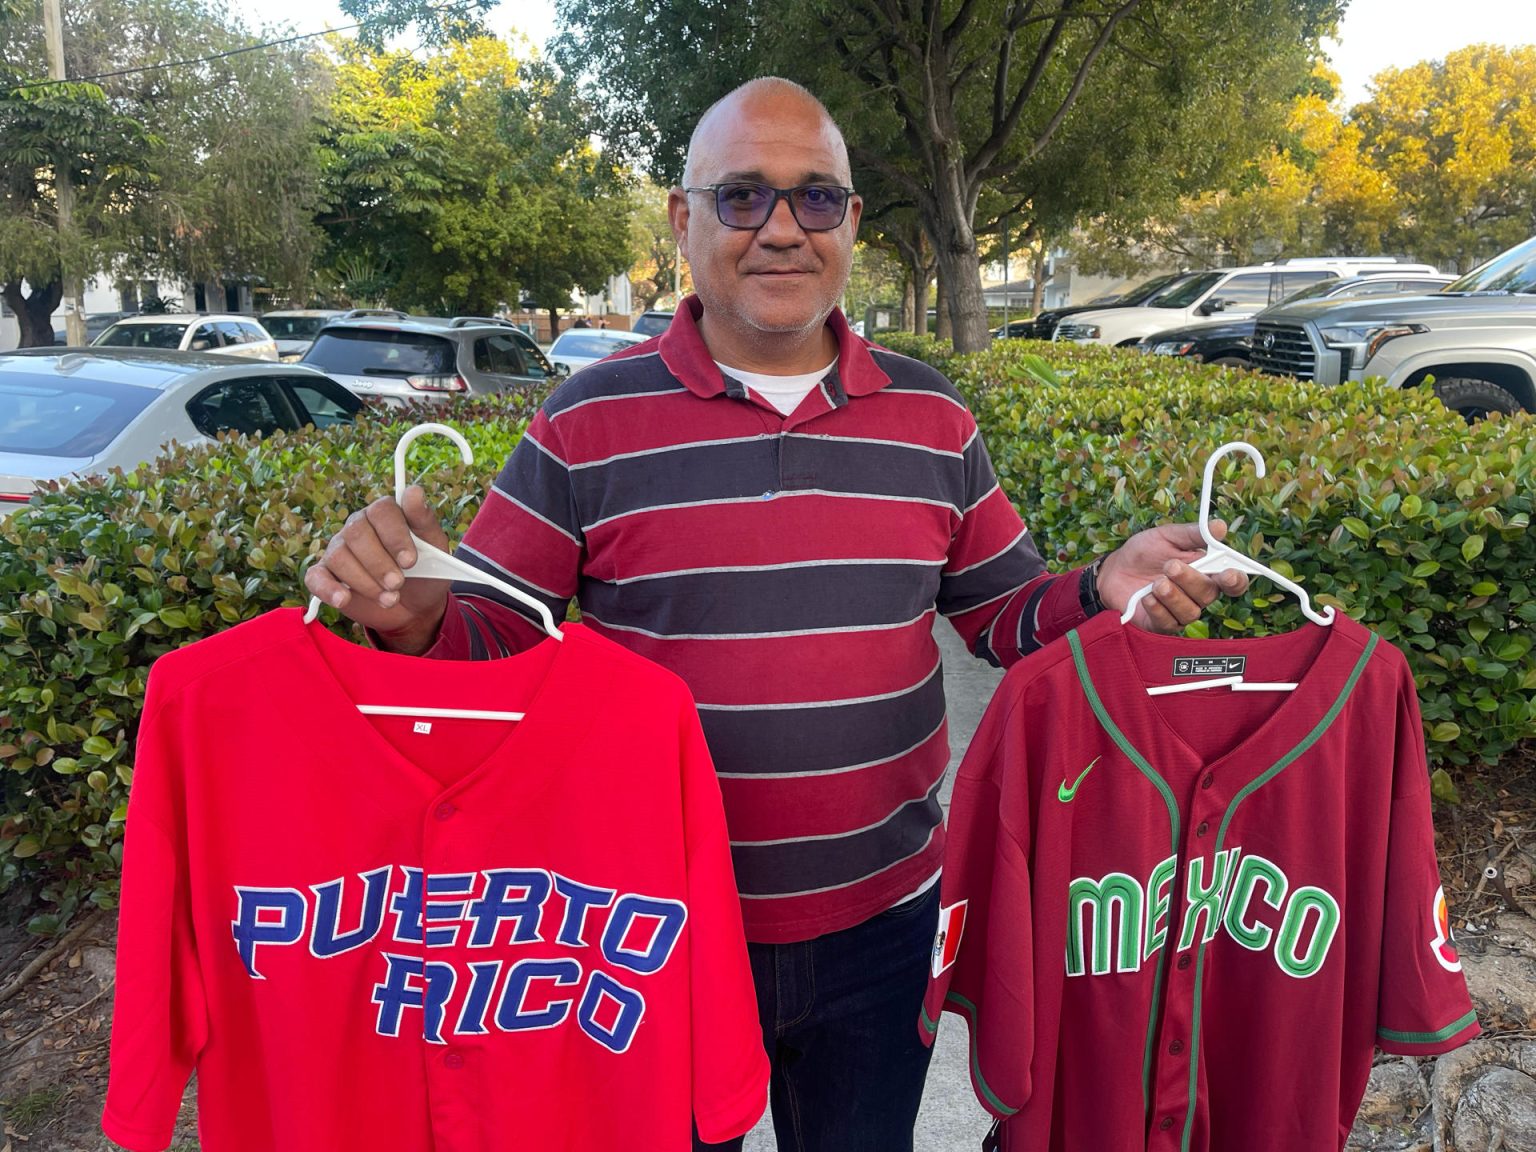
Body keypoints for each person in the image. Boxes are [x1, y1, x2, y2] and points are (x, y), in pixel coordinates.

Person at [305, 77, 1248, 1152]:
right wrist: (415, 613)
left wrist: (1098, 586)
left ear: (851, 222)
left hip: (884, 926)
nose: (783, 230)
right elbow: (499, 649)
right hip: (648, 931)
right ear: (682, 219)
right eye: (743, 197)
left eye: (816, 199)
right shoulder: (585, 422)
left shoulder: (930, 417)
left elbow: (1001, 618)